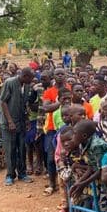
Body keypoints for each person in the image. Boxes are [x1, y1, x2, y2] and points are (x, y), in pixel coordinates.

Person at [0, 67, 35, 186]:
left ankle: (22, 173)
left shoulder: (27, 85)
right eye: (31, 78)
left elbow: (24, 103)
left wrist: (27, 119)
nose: (32, 80)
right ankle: (10, 175)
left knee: (22, 148)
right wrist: (10, 121)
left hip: (21, 121)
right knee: (10, 149)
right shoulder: (10, 83)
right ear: (25, 76)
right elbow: (3, 102)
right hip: (8, 122)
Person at [42, 67, 68, 195]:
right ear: (53, 76)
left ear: (65, 75)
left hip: (69, 127)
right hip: (52, 128)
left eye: (62, 74)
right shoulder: (49, 92)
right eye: (57, 74)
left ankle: (66, 184)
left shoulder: (70, 88)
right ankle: (52, 184)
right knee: (51, 158)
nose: (59, 76)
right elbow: (46, 108)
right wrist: (60, 103)